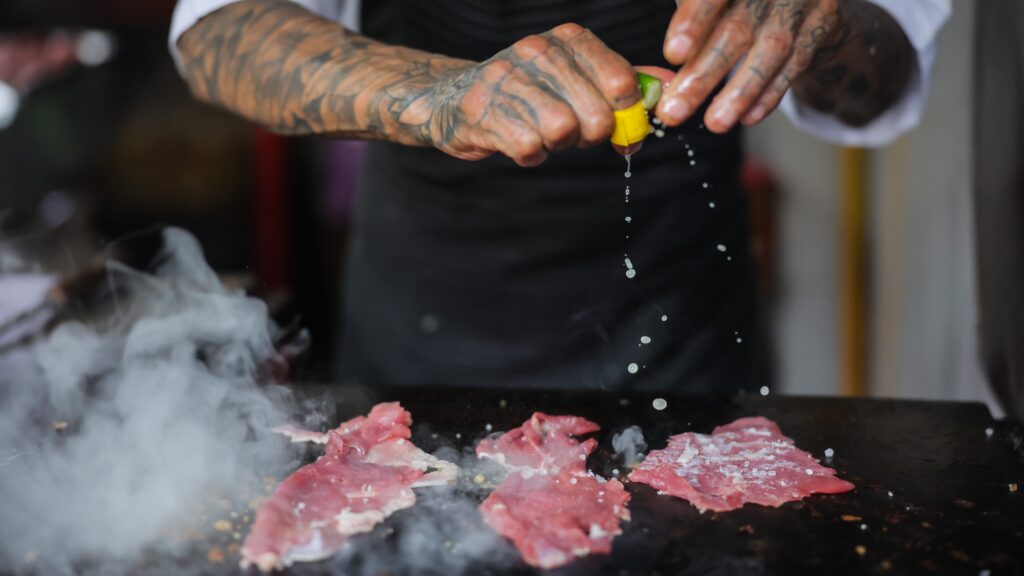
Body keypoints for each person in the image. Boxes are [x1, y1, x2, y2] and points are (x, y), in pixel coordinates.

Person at [169, 0, 949, 392]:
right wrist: (441, 95)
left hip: (686, 333)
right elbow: (215, 31)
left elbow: (880, 82)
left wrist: (829, 24)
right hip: (420, 333)